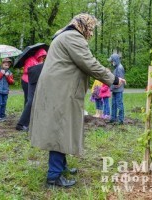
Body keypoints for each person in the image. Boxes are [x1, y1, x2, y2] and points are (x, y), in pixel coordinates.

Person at [29, 13, 126, 188]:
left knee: (62, 128)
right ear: (83, 26)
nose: (91, 32)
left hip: (59, 89)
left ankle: (61, 166)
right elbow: (90, 63)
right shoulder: (73, 37)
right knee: (60, 128)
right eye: (91, 28)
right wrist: (114, 79)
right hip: (61, 91)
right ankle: (54, 176)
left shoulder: (65, 36)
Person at [16, 48, 47, 131]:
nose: (43, 58)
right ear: (38, 54)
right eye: (42, 56)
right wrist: (38, 66)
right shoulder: (31, 59)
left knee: (31, 101)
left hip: (34, 82)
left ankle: (28, 120)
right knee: (30, 101)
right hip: (27, 81)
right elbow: (26, 70)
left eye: (44, 56)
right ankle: (22, 123)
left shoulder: (39, 62)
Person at [0, 58, 14, 122]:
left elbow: (12, 82)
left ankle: (2, 116)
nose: (7, 66)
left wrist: (8, 77)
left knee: (4, 103)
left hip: (5, 91)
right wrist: (1, 73)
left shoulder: (9, 72)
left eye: (8, 65)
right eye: (5, 65)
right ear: (2, 64)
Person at [108, 53, 125, 125]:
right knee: (113, 104)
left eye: (112, 61)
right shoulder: (116, 68)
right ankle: (113, 118)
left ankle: (121, 120)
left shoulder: (120, 68)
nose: (111, 63)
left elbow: (120, 81)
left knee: (119, 104)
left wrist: (113, 86)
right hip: (115, 90)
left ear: (115, 60)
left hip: (118, 90)